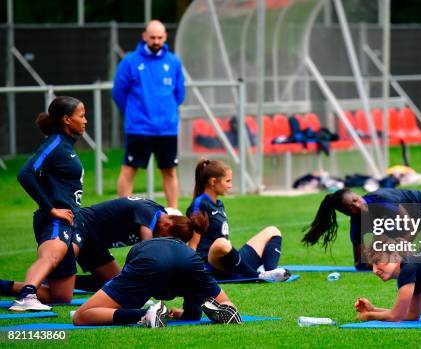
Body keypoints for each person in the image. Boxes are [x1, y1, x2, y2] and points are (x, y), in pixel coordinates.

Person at [1, 197, 206, 302]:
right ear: (168, 226)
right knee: (59, 258)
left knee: (115, 284)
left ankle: (17, 285)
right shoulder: (149, 213)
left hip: (95, 243)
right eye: (166, 239)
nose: (163, 242)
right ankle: (32, 286)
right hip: (82, 226)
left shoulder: (157, 216)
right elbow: (149, 248)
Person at [9, 96, 87, 311]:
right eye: (81, 116)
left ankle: (9, 287)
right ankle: (26, 296)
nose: (85, 120)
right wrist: (51, 209)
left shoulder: (66, 145)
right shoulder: (54, 143)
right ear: (66, 120)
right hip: (54, 219)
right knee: (51, 256)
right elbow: (26, 173)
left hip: (68, 219)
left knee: (61, 296)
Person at [72, 237, 241, 327]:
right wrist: (185, 314)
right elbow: (193, 316)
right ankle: (228, 309)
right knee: (225, 303)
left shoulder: (138, 257)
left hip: (150, 261)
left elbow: (114, 307)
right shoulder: (183, 250)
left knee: (81, 316)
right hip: (189, 259)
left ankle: (147, 313)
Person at [303, 188, 421, 270]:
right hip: (404, 224)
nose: (357, 205)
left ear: (357, 194)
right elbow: (359, 263)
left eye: (356, 199)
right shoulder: (357, 222)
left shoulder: (381, 200)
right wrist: (379, 262)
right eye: (351, 207)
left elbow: (411, 225)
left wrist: (398, 248)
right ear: (348, 213)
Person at [112, 19, 185, 211]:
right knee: (129, 170)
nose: (156, 41)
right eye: (152, 37)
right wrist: (135, 113)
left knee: (169, 171)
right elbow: (118, 93)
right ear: (144, 36)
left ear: (165, 37)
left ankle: (173, 212)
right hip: (139, 127)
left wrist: (165, 111)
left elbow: (179, 93)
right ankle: (123, 212)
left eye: (160, 37)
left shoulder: (174, 61)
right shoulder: (130, 61)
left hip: (167, 128)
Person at [186, 159, 291, 282]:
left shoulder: (219, 204)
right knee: (221, 243)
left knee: (272, 230)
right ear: (213, 181)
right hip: (211, 266)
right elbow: (192, 244)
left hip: (230, 262)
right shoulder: (199, 204)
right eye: (228, 181)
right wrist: (193, 272)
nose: (230, 185)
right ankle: (257, 276)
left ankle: (269, 273)